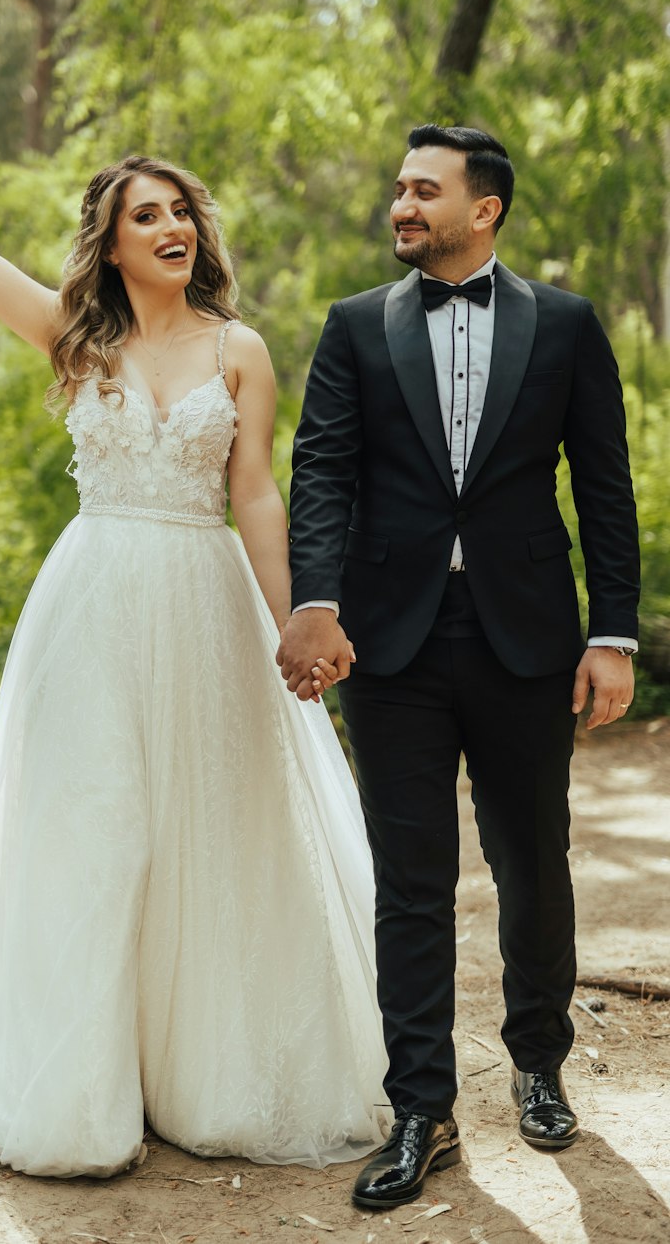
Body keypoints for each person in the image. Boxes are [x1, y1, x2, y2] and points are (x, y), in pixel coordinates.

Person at [0, 128, 388, 1178]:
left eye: (180, 211)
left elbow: (254, 491)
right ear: (111, 245)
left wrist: (299, 617)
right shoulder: (76, 337)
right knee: (96, 827)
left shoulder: (237, 348)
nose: (172, 227)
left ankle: (204, 1077)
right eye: (145, 216)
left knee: (211, 826)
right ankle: (78, 1095)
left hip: (205, 605)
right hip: (92, 606)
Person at [277, 124, 640, 1211]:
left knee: (534, 859)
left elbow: (605, 486)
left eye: (421, 190)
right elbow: (322, 471)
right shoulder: (352, 327)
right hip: (389, 643)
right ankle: (421, 1108)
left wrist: (611, 634)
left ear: (482, 208)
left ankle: (537, 1064)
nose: (401, 203)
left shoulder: (567, 325)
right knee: (412, 880)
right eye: (397, 187)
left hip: (527, 636)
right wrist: (316, 601)